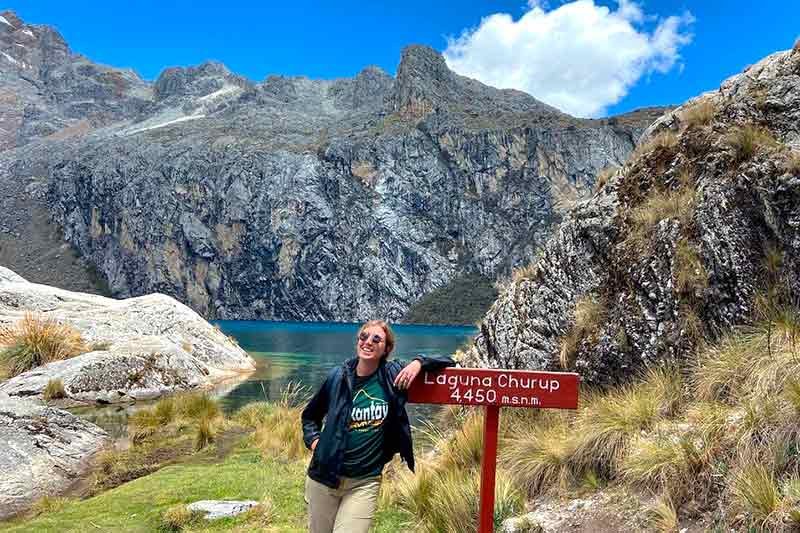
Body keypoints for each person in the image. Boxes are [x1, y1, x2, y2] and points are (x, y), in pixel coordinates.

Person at [301, 319, 455, 533]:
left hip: (364, 482)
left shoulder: (392, 375)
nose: (368, 342)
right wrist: (315, 443)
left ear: (386, 348)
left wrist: (418, 362)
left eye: (376, 339)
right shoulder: (338, 377)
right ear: (357, 341)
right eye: (364, 337)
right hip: (323, 478)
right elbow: (310, 416)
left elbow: (447, 361)